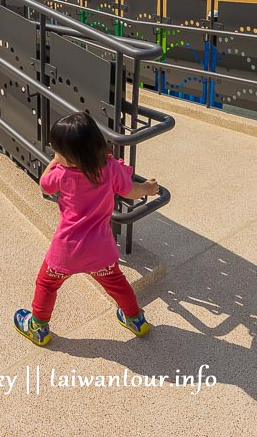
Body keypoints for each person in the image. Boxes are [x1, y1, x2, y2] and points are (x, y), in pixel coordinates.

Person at [14, 112, 161, 347]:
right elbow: (130, 191)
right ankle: (135, 319)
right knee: (118, 284)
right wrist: (148, 188)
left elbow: (44, 185)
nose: (57, 156)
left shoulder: (61, 174)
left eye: (58, 152)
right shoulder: (110, 168)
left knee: (47, 284)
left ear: (69, 156)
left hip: (66, 252)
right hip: (101, 252)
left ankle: (38, 327)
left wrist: (53, 162)